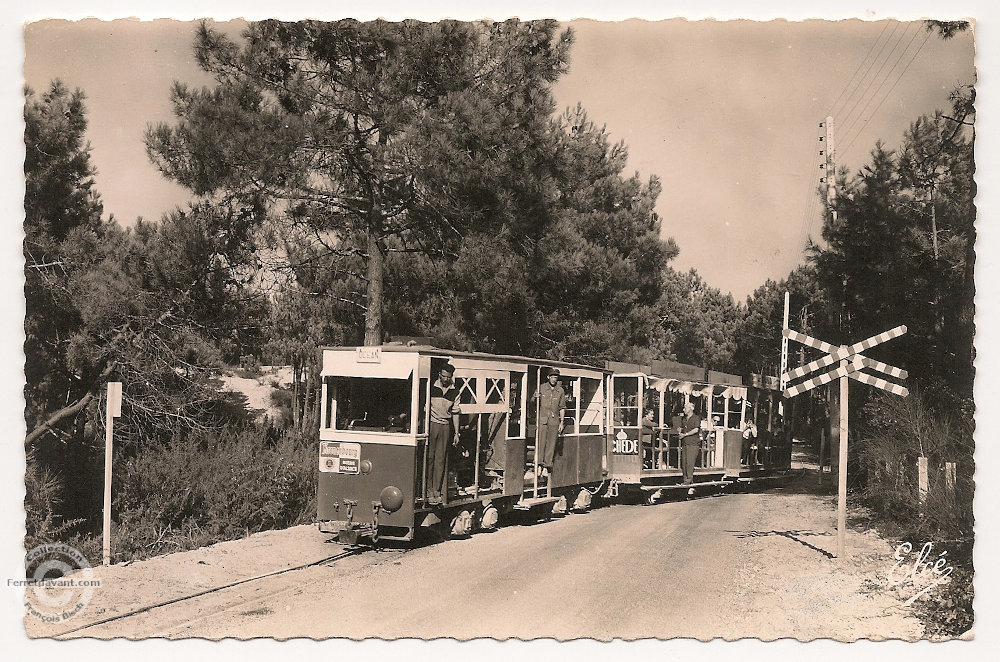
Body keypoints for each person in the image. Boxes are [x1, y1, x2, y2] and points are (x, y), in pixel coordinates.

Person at [427, 363, 461, 505]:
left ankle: (436, 491)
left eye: (448, 377)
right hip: (431, 424)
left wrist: (457, 433)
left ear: (451, 377)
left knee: (440, 460)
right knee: (429, 458)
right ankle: (427, 490)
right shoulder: (431, 387)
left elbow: (455, 413)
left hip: (445, 426)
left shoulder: (455, 391)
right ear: (439, 375)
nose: (445, 379)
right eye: (443, 376)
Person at [533, 368, 566, 478]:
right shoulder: (541, 388)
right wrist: (535, 397)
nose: (554, 379)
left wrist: (562, 422)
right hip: (542, 420)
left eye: (555, 377)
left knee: (551, 444)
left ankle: (546, 467)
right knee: (541, 442)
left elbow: (562, 407)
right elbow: (532, 402)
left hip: (554, 421)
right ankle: (538, 465)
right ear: (548, 377)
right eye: (552, 377)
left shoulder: (560, 391)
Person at [677, 401, 702, 484]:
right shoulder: (684, 419)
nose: (684, 409)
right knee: (684, 462)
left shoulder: (696, 418)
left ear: (691, 408)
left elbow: (696, 429)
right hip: (685, 443)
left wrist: (685, 434)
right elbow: (682, 428)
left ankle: (688, 480)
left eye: (686, 408)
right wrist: (680, 430)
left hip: (693, 443)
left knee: (690, 462)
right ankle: (685, 479)